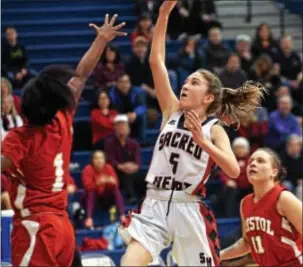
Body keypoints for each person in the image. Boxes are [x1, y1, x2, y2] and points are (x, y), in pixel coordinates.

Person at [119, 1, 266, 266]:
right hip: (154, 204)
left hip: (189, 208)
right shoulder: (171, 111)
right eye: (186, 81)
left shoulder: (215, 129)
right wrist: (163, 14)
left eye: (194, 82)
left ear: (208, 97)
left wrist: (202, 143)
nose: (185, 85)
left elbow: (233, 170)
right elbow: (156, 61)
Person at [0, 14, 126, 267]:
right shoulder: (62, 118)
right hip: (63, 228)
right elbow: (80, 76)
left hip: (36, 227)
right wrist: (101, 40)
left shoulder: (20, 138)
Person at [220, 148, 302, 267]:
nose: (253, 164)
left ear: (274, 172)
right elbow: (247, 243)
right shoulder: (245, 203)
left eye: (260, 161)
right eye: (251, 161)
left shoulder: (284, 198)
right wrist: (218, 255)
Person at [82, 150, 125, 229]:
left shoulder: (108, 168)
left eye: (101, 158)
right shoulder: (87, 169)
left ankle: (122, 215)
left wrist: (108, 181)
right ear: (92, 160)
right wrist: (99, 183)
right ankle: (89, 218)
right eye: (96, 158)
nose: (99, 161)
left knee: (115, 190)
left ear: (104, 160)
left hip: (106, 198)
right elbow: (87, 187)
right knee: (91, 192)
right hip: (93, 199)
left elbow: (115, 183)